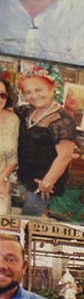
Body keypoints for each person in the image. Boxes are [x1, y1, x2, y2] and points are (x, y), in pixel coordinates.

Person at [14, 69, 75, 220]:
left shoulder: (62, 120)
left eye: (38, 90)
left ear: (52, 88)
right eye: (28, 92)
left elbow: (65, 156)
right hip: (23, 180)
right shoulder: (26, 112)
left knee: (29, 223)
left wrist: (48, 182)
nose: (34, 96)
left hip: (42, 186)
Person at [0, 73, 18, 215]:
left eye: (3, 95)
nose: (0, 99)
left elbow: (13, 158)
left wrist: (3, 178)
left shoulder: (12, 120)